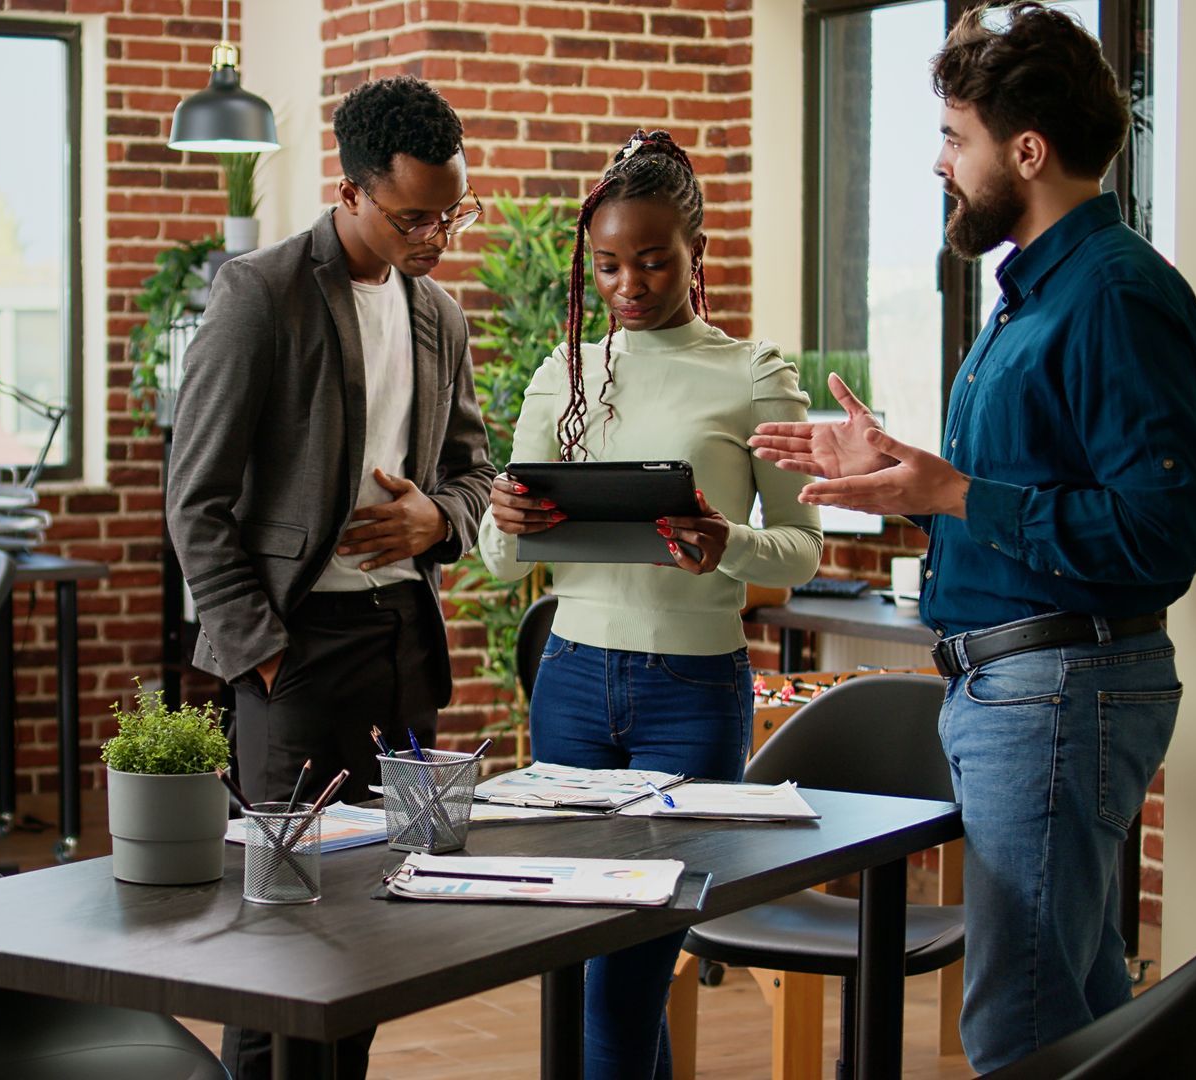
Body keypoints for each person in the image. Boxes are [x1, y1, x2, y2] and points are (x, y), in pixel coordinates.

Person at [748, 5, 1196, 1070]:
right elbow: (1017, 498)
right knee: (1085, 1008)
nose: (940, 162)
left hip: (1058, 691)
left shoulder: (1115, 297)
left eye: (956, 136)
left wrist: (955, 491)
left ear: (1028, 150)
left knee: (1024, 1021)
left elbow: (1161, 535)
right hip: (1017, 691)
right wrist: (904, 480)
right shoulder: (1028, 303)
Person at [164, 75, 495, 1080]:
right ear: (349, 193)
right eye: (414, 217)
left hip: (402, 648)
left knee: (375, 928)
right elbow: (197, 499)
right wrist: (262, 654)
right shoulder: (260, 294)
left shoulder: (438, 314)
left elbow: (475, 473)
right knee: (282, 939)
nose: (437, 236)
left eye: (451, 213)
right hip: (294, 657)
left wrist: (438, 517)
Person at [480, 129, 821, 1079]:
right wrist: (507, 515)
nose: (629, 284)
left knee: (626, 978)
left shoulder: (754, 376)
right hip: (571, 685)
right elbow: (503, 564)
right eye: (610, 265)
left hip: (692, 695)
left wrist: (729, 546)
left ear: (695, 250)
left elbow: (801, 552)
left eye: (653, 259)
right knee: (590, 965)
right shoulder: (566, 373)